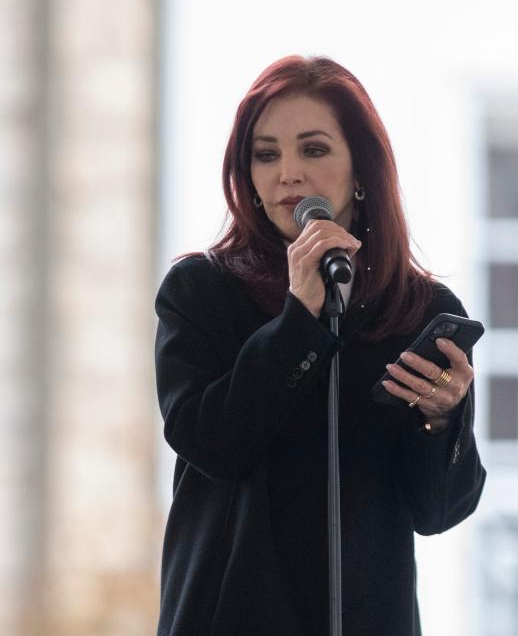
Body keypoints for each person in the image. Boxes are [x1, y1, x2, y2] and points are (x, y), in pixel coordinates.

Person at [154, 55, 486, 636]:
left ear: (361, 168)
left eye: (313, 149)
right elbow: (209, 443)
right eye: (266, 154)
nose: (288, 174)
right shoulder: (201, 291)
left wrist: (442, 420)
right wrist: (298, 320)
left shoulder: (422, 312)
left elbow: (439, 513)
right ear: (247, 177)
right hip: (230, 613)